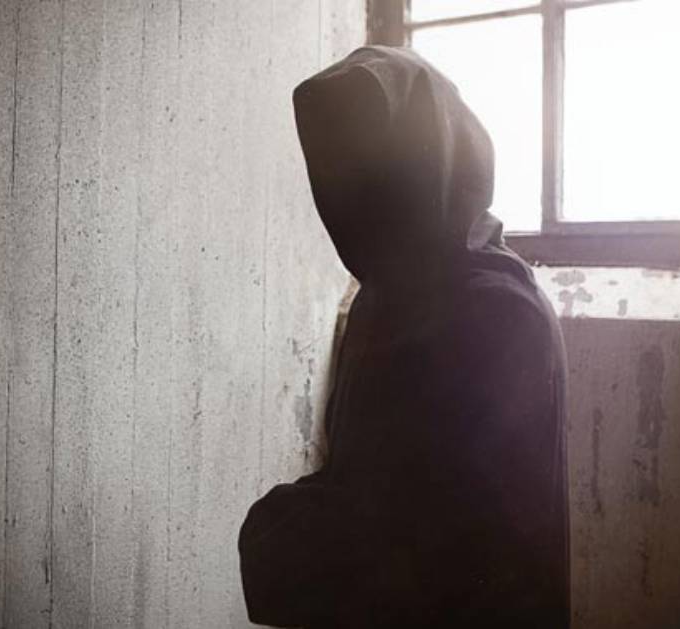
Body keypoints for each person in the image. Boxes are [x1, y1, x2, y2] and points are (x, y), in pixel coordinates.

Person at [238, 46, 569, 628]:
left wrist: (276, 531)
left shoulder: (497, 311)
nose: (352, 196)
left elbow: (437, 539)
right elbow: (364, 480)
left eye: (373, 169)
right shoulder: (389, 298)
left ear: (429, 159)